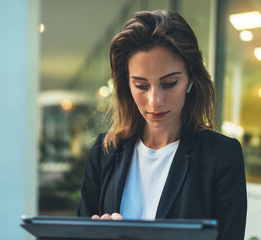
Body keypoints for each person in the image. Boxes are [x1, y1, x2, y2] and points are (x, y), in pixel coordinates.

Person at [77, 9, 247, 240]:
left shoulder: (220, 156)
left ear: (191, 79)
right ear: (127, 85)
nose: (154, 101)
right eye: (141, 85)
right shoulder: (103, 152)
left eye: (169, 83)